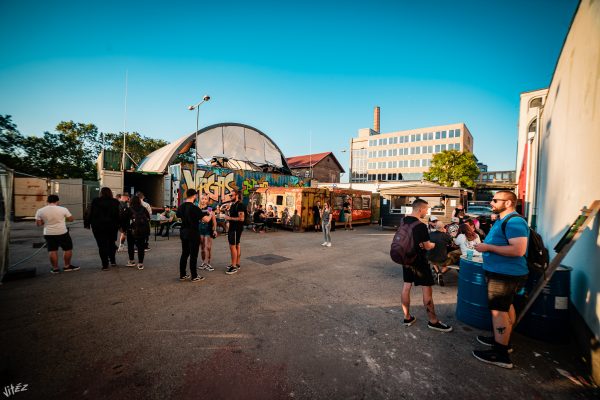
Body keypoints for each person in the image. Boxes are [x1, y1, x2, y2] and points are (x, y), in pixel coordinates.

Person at [473, 191, 529, 369]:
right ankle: (504, 341)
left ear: (508, 203)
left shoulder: (514, 221)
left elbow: (518, 250)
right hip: (502, 273)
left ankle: (501, 354)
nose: (491, 202)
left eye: (495, 200)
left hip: (505, 274)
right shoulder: (503, 220)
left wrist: (488, 247)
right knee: (506, 307)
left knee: (498, 311)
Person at [400, 199, 452, 332]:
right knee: (427, 289)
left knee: (406, 286)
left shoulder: (403, 221)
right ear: (420, 209)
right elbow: (427, 246)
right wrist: (432, 245)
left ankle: (407, 317)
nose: (427, 212)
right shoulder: (421, 226)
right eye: (426, 209)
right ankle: (433, 321)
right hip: (419, 261)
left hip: (406, 259)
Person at [35, 195, 79, 274]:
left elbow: (38, 224)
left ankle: (55, 268)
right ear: (57, 201)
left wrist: (46, 221)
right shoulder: (63, 209)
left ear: (47, 201)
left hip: (48, 233)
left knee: (52, 250)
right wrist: (63, 218)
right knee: (67, 249)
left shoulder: (40, 211)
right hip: (62, 232)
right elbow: (71, 219)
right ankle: (67, 266)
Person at [177, 189, 211, 282]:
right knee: (193, 255)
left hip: (183, 232)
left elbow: (178, 216)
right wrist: (211, 214)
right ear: (194, 196)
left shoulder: (181, 207)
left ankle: (182, 274)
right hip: (193, 233)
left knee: (184, 254)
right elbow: (207, 220)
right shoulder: (195, 208)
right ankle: (194, 276)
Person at [85, 187, 120, 270]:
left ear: (101, 193)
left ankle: (105, 265)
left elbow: (89, 212)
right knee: (111, 243)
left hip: (98, 227)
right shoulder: (115, 202)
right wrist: (120, 225)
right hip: (112, 226)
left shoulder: (95, 201)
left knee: (102, 245)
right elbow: (118, 214)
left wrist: (87, 224)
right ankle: (113, 261)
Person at [121, 195, 150, 270]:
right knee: (141, 247)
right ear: (139, 201)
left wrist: (124, 230)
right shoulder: (143, 208)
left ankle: (132, 261)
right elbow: (148, 218)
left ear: (131, 201)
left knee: (131, 245)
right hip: (142, 231)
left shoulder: (128, 209)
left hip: (131, 230)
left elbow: (124, 220)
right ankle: (140, 264)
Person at [223, 190, 246, 274]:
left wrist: (229, 218)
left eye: (231, 195)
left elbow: (241, 218)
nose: (230, 197)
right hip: (233, 228)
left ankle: (234, 267)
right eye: (230, 195)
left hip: (236, 228)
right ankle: (236, 263)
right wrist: (227, 211)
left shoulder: (240, 205)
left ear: (236, 195)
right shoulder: (233, 205)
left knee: (233, 246)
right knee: (236, 245)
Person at [427, 221, 454, 286]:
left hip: (430, 257)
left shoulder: (430, 234)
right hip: (442, 258)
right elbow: (451, 243)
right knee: (452, 261)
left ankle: (438, 272)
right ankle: (441, 273)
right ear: (443, 227)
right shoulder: (446, 235)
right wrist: (445, 233)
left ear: (435, 227)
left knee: (433, 259)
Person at [199, 195, 217, 271]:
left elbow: (214, 220)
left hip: (208, 229)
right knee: (202, 248)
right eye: (202, 198)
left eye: (205, 199)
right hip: (200, 229)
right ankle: (204, 262)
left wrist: (215, 230)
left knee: (208, 247)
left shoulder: (209, 208)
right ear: (200, 199)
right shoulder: (197, 209)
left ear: (207, 200)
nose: (203, 200)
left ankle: (208, 263)